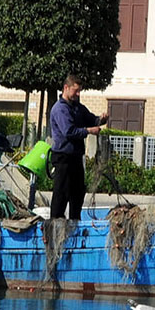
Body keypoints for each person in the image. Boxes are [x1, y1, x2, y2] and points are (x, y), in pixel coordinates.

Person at [48, 74, 108, 220]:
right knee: (61, 193)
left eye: (79, 91)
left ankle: (75, 221)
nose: (78, 94)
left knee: (78, 192)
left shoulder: (77, 108)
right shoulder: (60, 109)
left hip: (75, 157)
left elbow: (91, 119)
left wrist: (101, 120)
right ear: (66, 88)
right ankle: (56, 223)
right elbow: (69, 132)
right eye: (75, 91)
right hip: (63, 157)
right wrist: (89, 130)